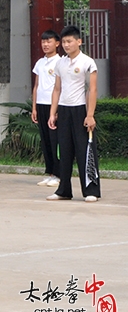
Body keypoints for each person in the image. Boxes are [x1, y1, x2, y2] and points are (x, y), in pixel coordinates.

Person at [47, 26, 100, 203]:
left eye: (69, 41)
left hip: (80, 110)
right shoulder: (60, 63)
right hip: (63, 109)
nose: (66, 45)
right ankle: (64, 190)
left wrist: (90, 114)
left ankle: (91, 190)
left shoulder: (88, 62)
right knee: (65, 151)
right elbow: (57, 89)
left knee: (84, 150)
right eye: (64, 42)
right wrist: (52, 113)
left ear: (79, 41)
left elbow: (92, 89)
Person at [31, 30, 61, 187]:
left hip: (53, 106)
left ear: (57, 43)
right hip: (41, 105)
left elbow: (59, 88)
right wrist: (34, 107)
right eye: (43, 42)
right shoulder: (40, 63)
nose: (45, 44)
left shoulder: (60, 62)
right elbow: (36, 86)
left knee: (55, 140)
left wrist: (54, 112)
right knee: (45, 140)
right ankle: (50, 172)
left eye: (49, 41)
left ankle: (58, 173)